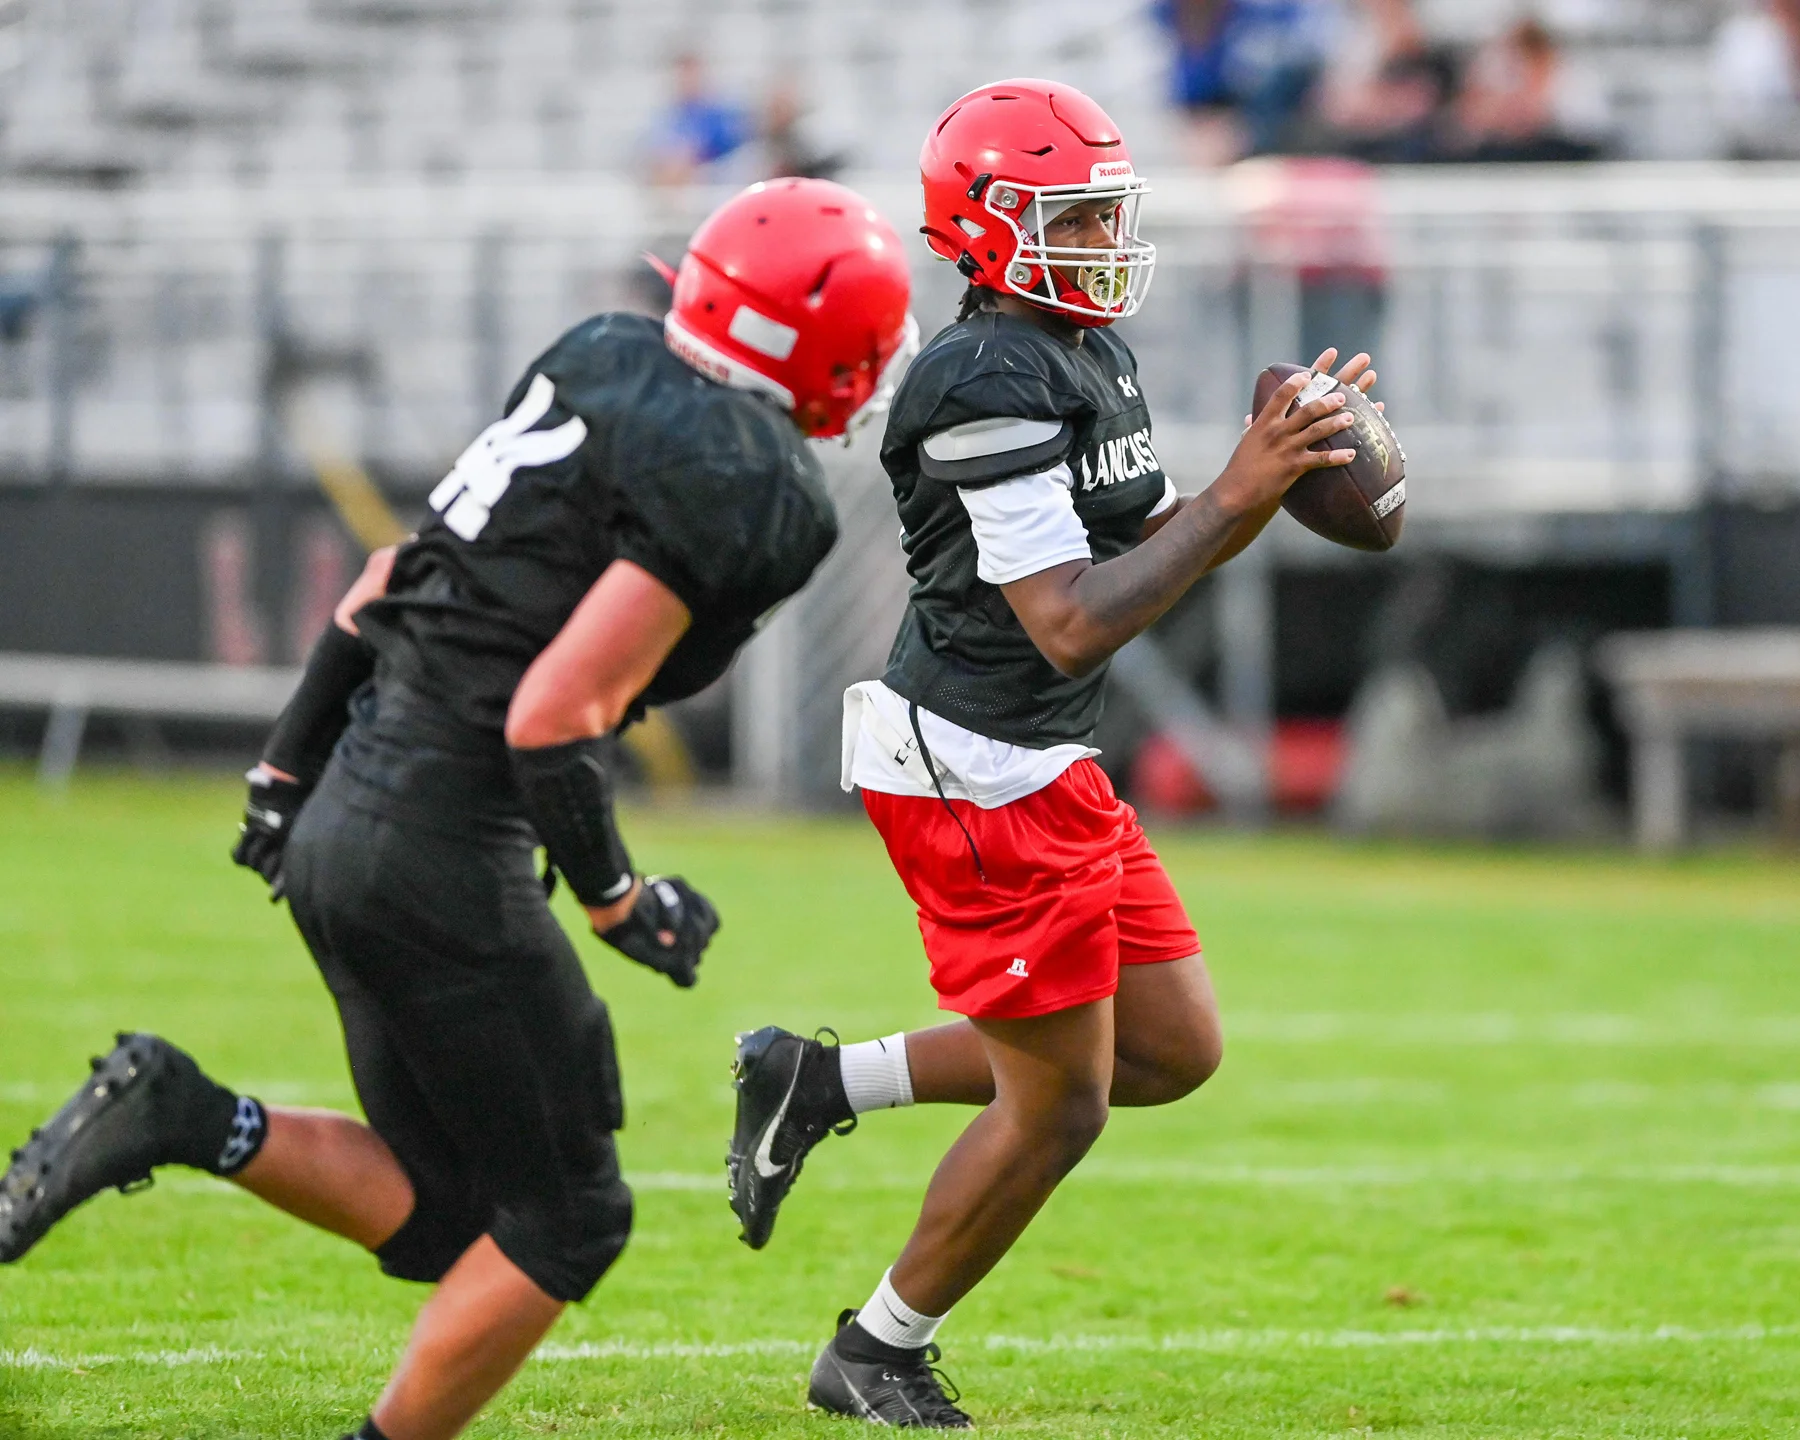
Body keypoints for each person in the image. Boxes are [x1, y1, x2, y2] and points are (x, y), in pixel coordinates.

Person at [0, 178, 915, 1440]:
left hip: (349, 808)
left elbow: (388, 581)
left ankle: (180, 1111)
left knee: (449, 1213)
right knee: (573, 1220)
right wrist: (617, 900)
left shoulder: (602, 350)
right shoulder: (753, 477)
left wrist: (282, 774)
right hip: (442, 841)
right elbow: (552, 714)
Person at [724, 79, 1380, 1427]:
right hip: (972, 764)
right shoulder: (982, 375)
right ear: (983, 229)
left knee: (1171, 1047)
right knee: (1064, 1102)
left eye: (1101, 211)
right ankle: (878, 1348)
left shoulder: (1084, 348)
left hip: (1038, 754)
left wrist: (1270, 468)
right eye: (1067, 216)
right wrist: (1240, 494)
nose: (1096, 239)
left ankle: (819, 1079)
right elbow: (1070, 623)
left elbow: (1133, 555)